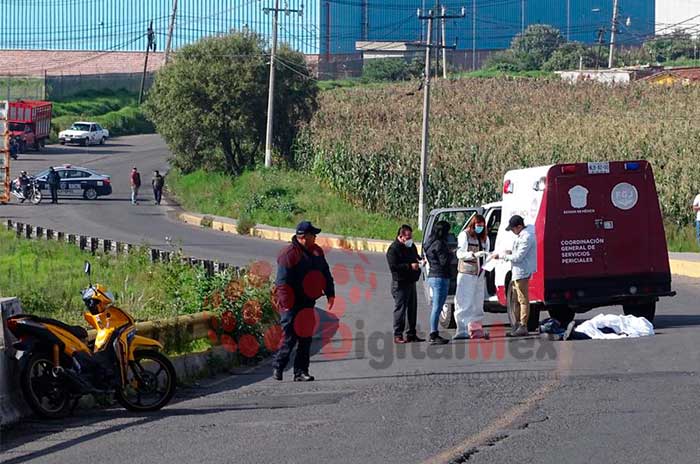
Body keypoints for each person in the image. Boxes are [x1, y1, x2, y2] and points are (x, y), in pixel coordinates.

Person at [272, 221, 335, 382]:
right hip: (291, 305)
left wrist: (330, 293)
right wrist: (287, 306)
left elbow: (325, 272)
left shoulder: (317, 251)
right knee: (290, 337)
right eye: (313, 234)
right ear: (303, 236)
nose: (315, 237)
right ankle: (278, 366)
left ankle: (301, 372)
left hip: (308, 302)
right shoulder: (288, 254)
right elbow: (282, 283)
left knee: (306, 338)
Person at [493, 215, 537, 337]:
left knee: (523, 300)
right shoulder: (522, 235)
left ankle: (523, 325)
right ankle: (517, 325)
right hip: (517, 271)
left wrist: (502, 256)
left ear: (519, 226)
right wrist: (510, 253)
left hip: (522, 272)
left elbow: (519, 257)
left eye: (513, 229)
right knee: (516, 299)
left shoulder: (527, 237)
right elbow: (518, 253)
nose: (513, 232)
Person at [386, 224, 425, 344]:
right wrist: (409, 266)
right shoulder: (393, 249)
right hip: (400, 283)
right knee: (400, 309)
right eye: (407, 237)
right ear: (401, 236)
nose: (410, 239)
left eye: (411, 236)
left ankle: (411, 334)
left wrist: (420, 261)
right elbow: (394, 267)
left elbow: (415, 256)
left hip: (411, 281)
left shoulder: (411, 246)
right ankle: (398, 334)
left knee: (412, 308)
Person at [454, 214, 490, 340]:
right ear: (473, 225)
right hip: (467, 273)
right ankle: (462, 329)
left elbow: (487, 253)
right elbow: (459, 253)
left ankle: (475, 328)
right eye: (478, 226)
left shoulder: (485, 238)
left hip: (480, 274)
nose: (480, 228)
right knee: (464, 302)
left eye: (482, 226)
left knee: (477, 302)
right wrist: (472, 255)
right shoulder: (465, 235)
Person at [424, 220, 451, 345]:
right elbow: (444, 261)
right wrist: (452, 253)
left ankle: (434, 332)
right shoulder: (440, 244)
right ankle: (433, 333)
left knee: (437, 306)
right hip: (440, 276)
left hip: (433, 275)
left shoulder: (429, 243)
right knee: (437, 306)